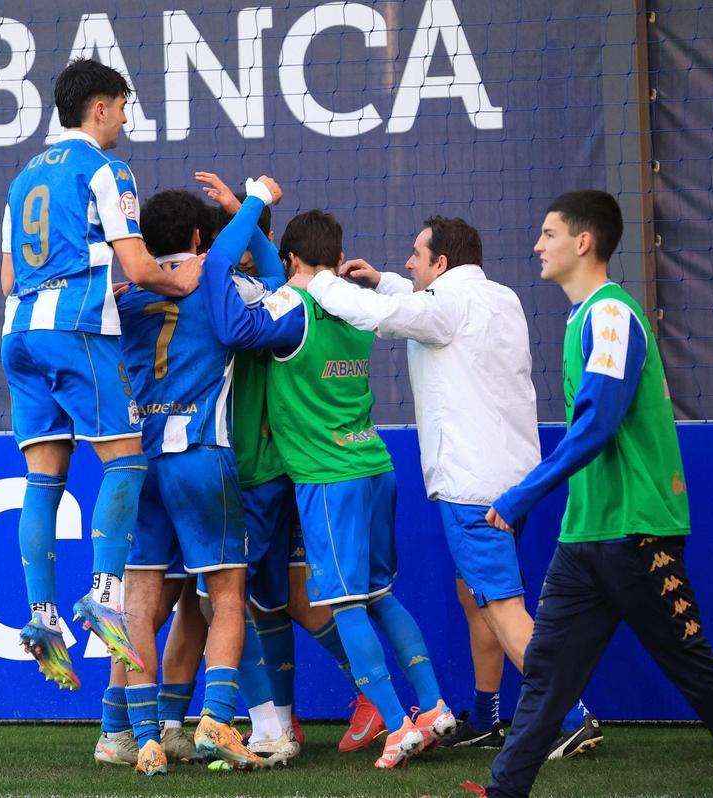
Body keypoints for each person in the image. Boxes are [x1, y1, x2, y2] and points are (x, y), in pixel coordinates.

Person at [482, 190, 713, 798]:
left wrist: (520, 496)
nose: (537, 246)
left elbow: (596, 423)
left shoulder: (611, 315)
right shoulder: (580, 317)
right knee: (546, 674)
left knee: (692, 665)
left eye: (548, 234)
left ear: (582, 242)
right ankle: (504, 790)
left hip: (638, 531)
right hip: (585, 535)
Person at [300, 217, 600, 757]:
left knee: (503, 605)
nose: (409, 263)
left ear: (441, 263)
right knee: (475, 597)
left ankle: (571, 716)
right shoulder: (501, 297)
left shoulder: (444, 309)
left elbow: (391, 316)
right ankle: (486, 718)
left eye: (417, 255)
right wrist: (383, 279)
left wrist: (319, 279)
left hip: (471, 487)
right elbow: (419, 303)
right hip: (514, 478)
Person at [199, 189, 456, 770]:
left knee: (343, 605)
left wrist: (243, 225)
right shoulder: (353, 306)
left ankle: (394, 725)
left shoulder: (293, 310)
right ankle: (434, 706)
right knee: (380, 595)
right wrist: (265, 238)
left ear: (291, 263)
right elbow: (289, 282)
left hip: (326, 478)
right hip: (374, 463)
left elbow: (238, 324)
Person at [0, 58, 197, 689]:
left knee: (43, 479)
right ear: (101, 108)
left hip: (19, 335)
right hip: (75, 333)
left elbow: (8, 279)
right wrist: (180, 279)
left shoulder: (21, 178)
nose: (125, 117)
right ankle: (105, 595)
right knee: (126, 461)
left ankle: (42, 616)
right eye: (123, 104)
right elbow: (140, 268)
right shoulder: (106, 170)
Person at [197, 173, 367, 754]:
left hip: (256, 471)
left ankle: (279, 724)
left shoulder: (248, 296)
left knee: (240, 599)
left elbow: (259, 279)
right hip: (271, 469)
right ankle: (284, 720)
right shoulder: (259, 289)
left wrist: (248, 209)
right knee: (274, 599)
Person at [113, 187, 276, 774]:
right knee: (226, 594)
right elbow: (280, 287)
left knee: (140, 602)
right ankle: (218, 721)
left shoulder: (125, 299)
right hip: (202, 450)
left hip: (137, 460)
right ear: (200, 239)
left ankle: (140, 735)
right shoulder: (218, 288)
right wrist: (252, 206)